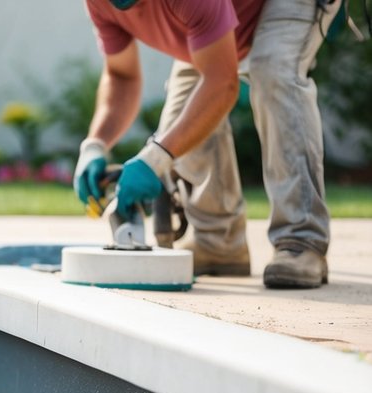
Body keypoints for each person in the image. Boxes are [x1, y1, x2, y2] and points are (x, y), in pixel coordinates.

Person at [73, 0, 343, 288]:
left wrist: (156, 159)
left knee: (274, 70)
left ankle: (300, 240)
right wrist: (94, 145)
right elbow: (121, 75)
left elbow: (222, 85)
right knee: (184, 117)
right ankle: (219, 241)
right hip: (223, 12)